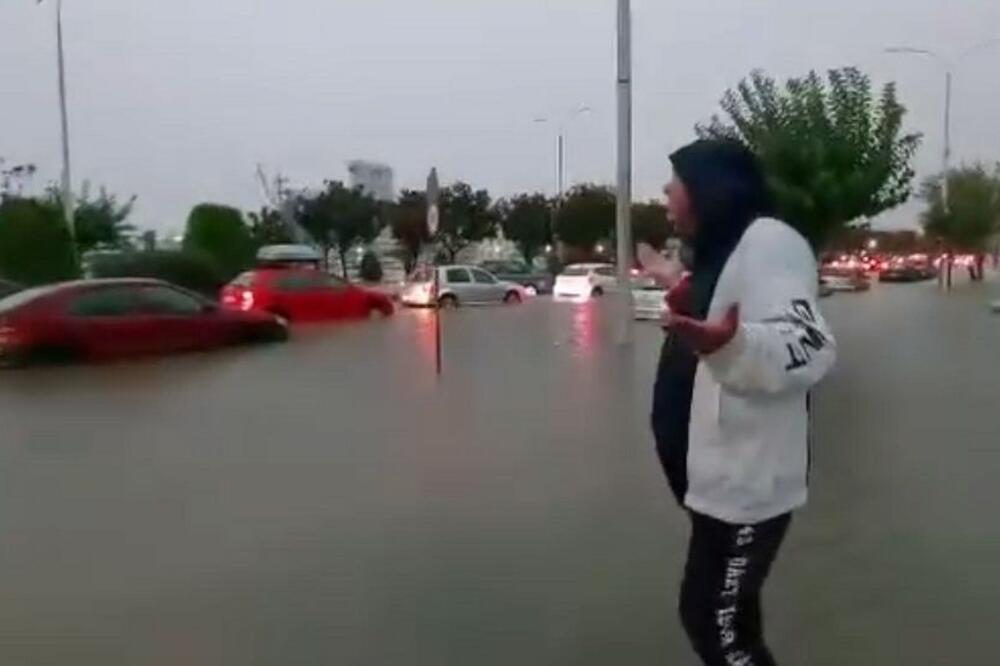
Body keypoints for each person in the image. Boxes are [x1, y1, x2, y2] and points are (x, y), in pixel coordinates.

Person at [647, 139, 836, 666]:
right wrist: (683, 290)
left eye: (676, 179)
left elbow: (810, 344)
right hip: (717, 486)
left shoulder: (771, 244)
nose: (665, 190)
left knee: (716, 624)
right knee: (728, 620)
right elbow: (731, 306)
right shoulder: (726, 250)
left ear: (710, 188)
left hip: (747, 488)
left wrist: (730, 344)